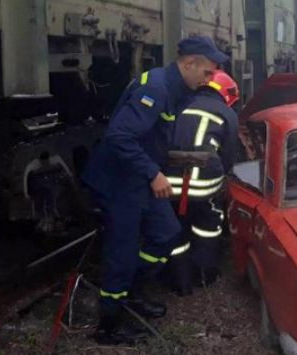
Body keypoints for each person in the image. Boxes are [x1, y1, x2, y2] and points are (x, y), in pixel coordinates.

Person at [81, 35, 229, 345]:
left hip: (140, 178)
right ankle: (109, 325)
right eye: (206, 73)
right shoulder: (156, 88)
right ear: (188, 63)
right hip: (120, 181)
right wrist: (153, 173)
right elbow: (119, 137)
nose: (209, 80)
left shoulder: (177, 89)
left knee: (166, 233)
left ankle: (132, 292)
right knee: (120, 253)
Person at [164, 69, 240, 296]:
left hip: (167, 179)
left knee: (175, 228)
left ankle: (180, 282)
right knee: (207, 225)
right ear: (227, 94)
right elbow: (228, 155)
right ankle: (205, 275)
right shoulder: (227, 114)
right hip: (203, 182)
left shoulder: (179, 104)